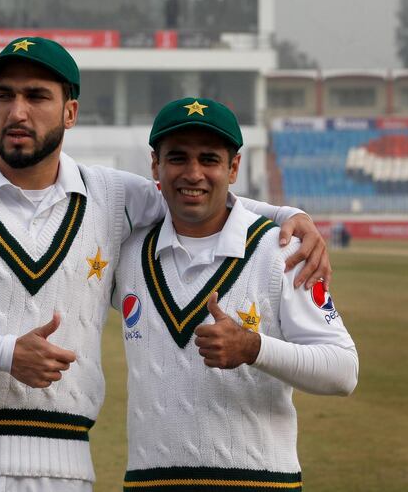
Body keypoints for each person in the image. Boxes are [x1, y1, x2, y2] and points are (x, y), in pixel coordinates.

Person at [0, 37, 330, 492]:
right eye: (4, 95)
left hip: (65, 467)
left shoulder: (112, 196)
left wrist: (285, 215)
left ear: (69, 113)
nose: (17, 112)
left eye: (36, 96)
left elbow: (195, 190)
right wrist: (3, 353)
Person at [112, 97, 358, 490]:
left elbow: (344, 370)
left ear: (234, 167)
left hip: (257, 483)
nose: (193, 173)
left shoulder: (281, 252)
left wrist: (253, 348)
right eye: (177, 158)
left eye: (209, 159)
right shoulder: (127, 253)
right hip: (149, 482)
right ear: (155, 165)